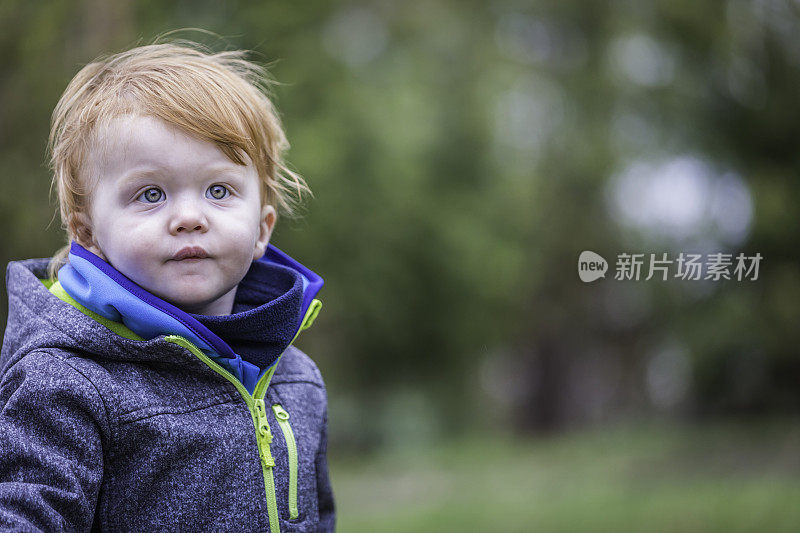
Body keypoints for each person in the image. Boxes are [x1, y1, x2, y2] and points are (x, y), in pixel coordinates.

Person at [0, 41, 334, 532]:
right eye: (150, 194)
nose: (189, 218)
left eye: (218, 191)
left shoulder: (296, 379)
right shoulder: (66, 381)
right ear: (87, 233)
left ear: (262, 228)